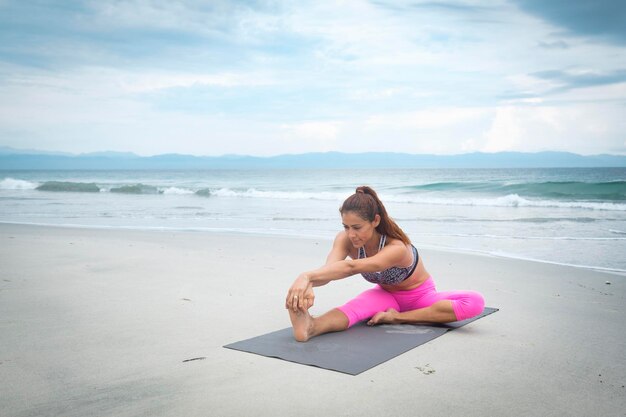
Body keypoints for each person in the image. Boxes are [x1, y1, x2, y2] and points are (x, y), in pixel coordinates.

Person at [285, 185, 485, 342]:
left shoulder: (397, 248)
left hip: (420, 297)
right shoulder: (345, 240)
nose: (350, 234)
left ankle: (399, 317)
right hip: (385, 296)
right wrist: (308, 287)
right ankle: (310, 327)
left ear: (375, 221)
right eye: (345, 227)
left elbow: (351, 268)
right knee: (354, 309)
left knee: (475, 302)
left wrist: (306, 277)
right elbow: (328, 272)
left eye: (357, 227)